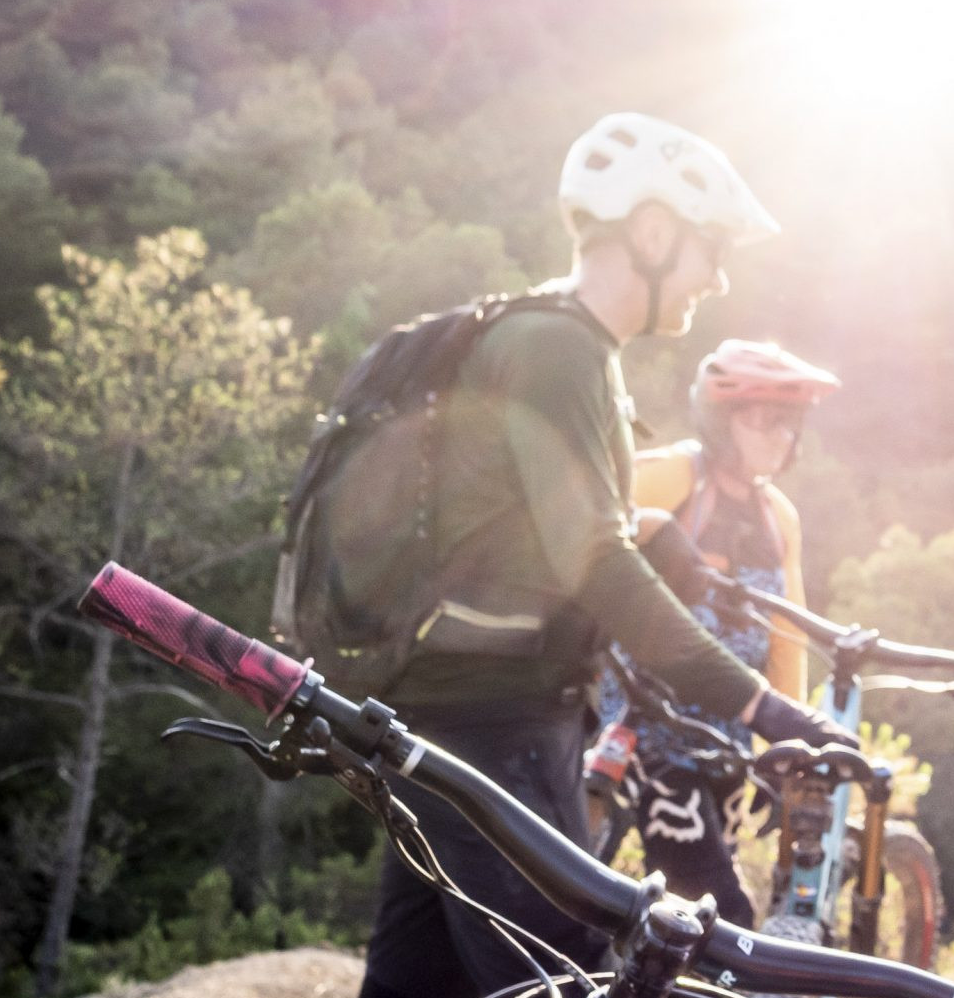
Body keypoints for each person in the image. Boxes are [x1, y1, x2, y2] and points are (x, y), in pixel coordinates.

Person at [359, 113, 855, 998]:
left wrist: (654, 536)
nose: (718, 276)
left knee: (414, 981)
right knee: (570, 977)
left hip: (446, 712)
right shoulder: (561, 350)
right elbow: (596, 561)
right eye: (711, 247)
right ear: (654, 233)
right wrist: (764, 708)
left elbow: (549, 526)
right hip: (504, 725)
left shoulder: (540, 336)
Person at [601, 339, 840, 930]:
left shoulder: (778, 516)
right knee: (715, 913)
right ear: (719, 420)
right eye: (763, 420)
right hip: (642, 728)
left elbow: (784, 635)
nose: (780, 436)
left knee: (687, 911)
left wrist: (784, 748)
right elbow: (589, 553)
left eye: (789, 422)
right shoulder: (671, 476)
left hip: (727, 735)